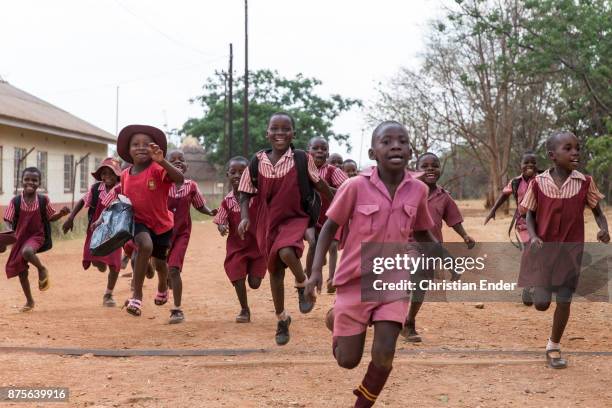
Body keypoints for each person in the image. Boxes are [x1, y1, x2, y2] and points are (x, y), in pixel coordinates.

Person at [305, 121, 437, 407]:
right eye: (387, 141)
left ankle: (361, 405)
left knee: (386, 349)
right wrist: (316, 271)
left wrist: (446, 259)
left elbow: (424, 230)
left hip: (394, 280)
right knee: (348, 361)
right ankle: (335, 317)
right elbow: (329, 227)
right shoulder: (354, 187)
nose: (396, 146)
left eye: (402, 141)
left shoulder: (418, 191)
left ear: (410, 150)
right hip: (355, 280)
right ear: (372, 152)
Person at [238, 112, 333, 345]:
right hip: (266, 221)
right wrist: (244, 217)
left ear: (293, 133)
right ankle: (282, 319)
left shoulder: (301, 158)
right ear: (267, 132)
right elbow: (244, 192)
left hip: (294, 217)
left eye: (285, 129)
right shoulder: (257, 160)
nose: (280, 133)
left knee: (287, 251)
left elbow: (319, 183)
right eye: (275, 129)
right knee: (275, 271)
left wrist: (340, 203)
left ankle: (302, 284)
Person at [519, 131, 609, 369]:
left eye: (577, 148)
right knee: (541, 304)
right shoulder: (538, 183)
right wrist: (535, 235)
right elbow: (530, 213)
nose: (575, 152)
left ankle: (553, 345)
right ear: (552, 156)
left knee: (565, 299)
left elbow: (597, 212)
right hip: (544, 253)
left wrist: (604, 229)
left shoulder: (585, 182)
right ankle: (532, 287)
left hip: (571, 254)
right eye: (567, 148)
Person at [100, 124, 184, 316]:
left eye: (146, 144)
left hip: (162, 225)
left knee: (161, 264)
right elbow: (117, 200)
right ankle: (136, 295)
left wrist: (163, 162)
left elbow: (179, 178)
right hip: (137, 222)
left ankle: (162, 286)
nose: (140, 147)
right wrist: (103, 219)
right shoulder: (126, 175)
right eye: (135, 144)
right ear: (128, 150)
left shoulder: (157, 169)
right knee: (145, 246)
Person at [401, 152, 475, 342]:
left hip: (432, 248)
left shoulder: (444, 196)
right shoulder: (406, 191)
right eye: (424, 166)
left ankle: (409, 322)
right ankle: (385, 314)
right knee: (412, 269)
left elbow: (453, 219)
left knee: (421, 286)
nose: (430, 169)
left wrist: (465, 235)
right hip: (407, 243)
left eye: (434, 165)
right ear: (416, 170)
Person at [3, 167, 70, 312]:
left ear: (39, 183)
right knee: (21, 272)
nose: (30, 182)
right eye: (27, 179)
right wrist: (8, 233)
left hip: (36, 236)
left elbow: (50, 217)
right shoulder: (15, 201)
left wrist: (61, 214)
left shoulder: (43, 200)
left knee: (27, 252)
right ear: (22, 181)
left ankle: (42, 269)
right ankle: (30, 301)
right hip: (19, 237)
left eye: (34, 180)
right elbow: (7, 219)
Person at [62, 157, 123, 307]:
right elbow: (83, 201)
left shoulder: (122, 188)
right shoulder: (96, 188)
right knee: (94, 256)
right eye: (104, 173)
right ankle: (100, 263)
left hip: (114, 229)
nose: (107, 176)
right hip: (95, 228)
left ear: (118, 175)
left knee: (114, 263)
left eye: (111, 173)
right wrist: (71, 217)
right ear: (100, 175)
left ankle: (108, 294)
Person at [166, 150, 217, 324]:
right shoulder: (161, 184)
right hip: (162, 234)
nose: (178, 162)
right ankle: (165, 280)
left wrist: (210, 212)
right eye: (172, 160)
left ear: (187, 166)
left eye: (181, 160)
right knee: (164, 268)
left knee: (174, 269)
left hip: (182, 233)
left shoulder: (191, 186)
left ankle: (177, 310)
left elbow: (199, 205)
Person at [213, 156, 266, 323]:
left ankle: (253, 273)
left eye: (242, 172)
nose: (237, 175)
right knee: (237, 275)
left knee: (255, 283)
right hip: (237, 247)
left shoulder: (257, 196)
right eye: (233, 172)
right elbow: (220, 220)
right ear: (228, 174)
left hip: (258, 246)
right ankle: (244, 309)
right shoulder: (227, 201)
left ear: (249, 175)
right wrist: (222, 227)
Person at [485, 151, 539, 305]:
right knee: (529, 249)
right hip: (523, 223)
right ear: (520, 166)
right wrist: (493, 210)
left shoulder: (543, 180)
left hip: (541, 223)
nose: (529, 165)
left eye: (533, 163)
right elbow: (504, 195)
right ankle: (527, 286)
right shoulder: (515, 182)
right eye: (526, 163)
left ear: (537, 165)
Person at [304, 137, 348, 294]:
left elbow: (347, 192)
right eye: (315, 148)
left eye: (323, 149)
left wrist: (323, 187)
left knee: (333, 246)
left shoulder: (333, 172)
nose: (319, 151)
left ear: (327, 153)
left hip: (330, 218)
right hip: (308, 218)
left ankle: (331, 279)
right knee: (313, 243)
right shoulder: (301, 170)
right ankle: (308, 283)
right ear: (308, 151)